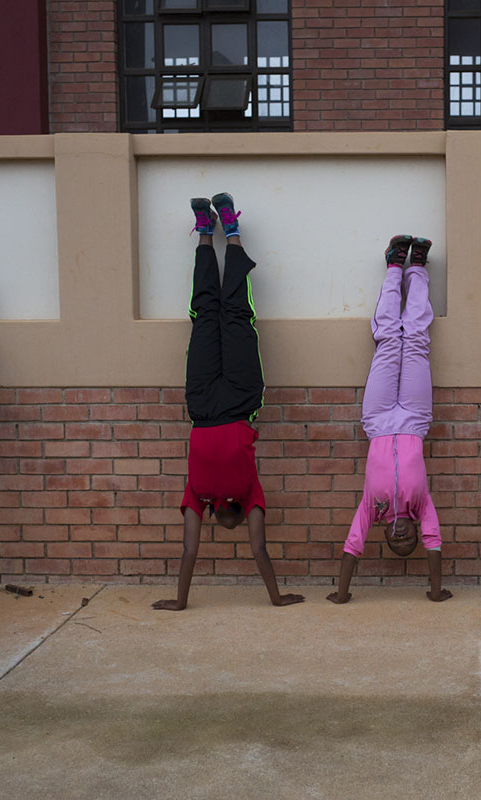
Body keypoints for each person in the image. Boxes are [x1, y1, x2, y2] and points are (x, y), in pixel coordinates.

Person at [152, 194, 303, 611]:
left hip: (200, 406)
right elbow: (258, 551)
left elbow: (189, 553)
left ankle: (205, 231)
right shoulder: (250, 495)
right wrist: (277, 597)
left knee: (204, 315)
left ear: (217, 517)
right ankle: (230, 229)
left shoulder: (198, 498)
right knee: (236, 315)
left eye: (227, 523)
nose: (232, 523)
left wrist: (179, 602)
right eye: (239, 524)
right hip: (240, 399)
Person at [327, 235, 451, 604]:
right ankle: (419, 268)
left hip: (379, 420)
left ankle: (395, 267)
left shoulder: (370, 507)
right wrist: (435, 589)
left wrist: (342, 593)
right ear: (416, 531)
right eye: (408, 540)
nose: (402, 538)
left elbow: (352, 546)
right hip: (414, 419)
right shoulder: (423, 505)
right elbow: (435, 544)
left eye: (395, 541)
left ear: (383, 535)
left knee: (387, 340)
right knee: (413, 340)